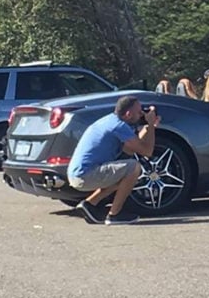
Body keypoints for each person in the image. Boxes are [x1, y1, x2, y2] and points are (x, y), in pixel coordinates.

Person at [67, 95, 160, 225]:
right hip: (86, 175)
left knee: (125, 167)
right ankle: (114, 215)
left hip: (79, 174)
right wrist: (150, 124)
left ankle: (89, 204)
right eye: (139, 112)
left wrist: (148, 128)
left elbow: (133, 147)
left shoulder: (110, 120)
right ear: (128, 114)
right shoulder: (119, 126)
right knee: (133, 168)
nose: (141, 114)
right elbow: (147, 151)